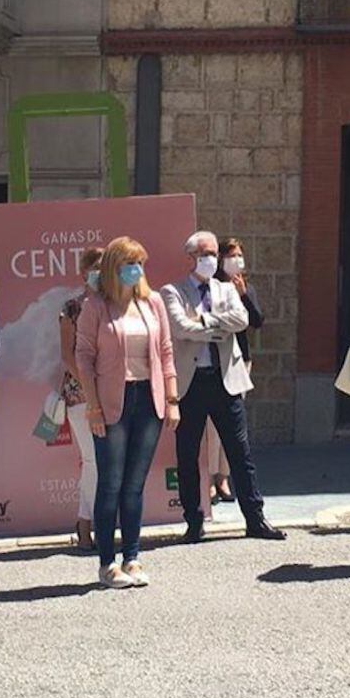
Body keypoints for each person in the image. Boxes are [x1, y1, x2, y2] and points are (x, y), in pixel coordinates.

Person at [161, 231, 286, 545]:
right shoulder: (172, 291)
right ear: (190, 258)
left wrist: (202, 322)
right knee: (188, 454)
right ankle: (193, 521)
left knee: (239, 452)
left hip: (224, 380)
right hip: (191, 382)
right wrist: (216, 325)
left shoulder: (227, 288)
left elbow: (241, 320)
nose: (210, 259)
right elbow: (179, 327)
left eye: (213, 253)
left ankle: (255, 519)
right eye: (204, 253)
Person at [75, 237, 179, 588]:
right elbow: (83, 358)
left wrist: (173, 399)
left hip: (149, 400)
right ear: (113, 269)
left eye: (140, 263)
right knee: (111, 484)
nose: (136, 270)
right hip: (110, 402)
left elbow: (165, 351)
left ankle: (132, 557)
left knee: (135, 486)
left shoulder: (152, 302)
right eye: (129, 264)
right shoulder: (96, 306)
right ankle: (107, 564)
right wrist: (92, 406)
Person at [203, 237, 264, 504]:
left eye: (240, 255)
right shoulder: (212, 288)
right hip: (215, 358)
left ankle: (225, 477)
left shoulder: (244, 287)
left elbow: (257, 320)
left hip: (240, 360)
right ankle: (211, 476)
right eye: (232, 256)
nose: (237, 260)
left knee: (234, 421)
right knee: (212, 425)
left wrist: (243, 295)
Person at [59, 247, 104, 551]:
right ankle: (87, 523)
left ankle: (91, 522)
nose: (101, 273)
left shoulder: (114, 304)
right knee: (92, 460)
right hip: (80, 395)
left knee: (105, 462)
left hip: (112, 392)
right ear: (84, 271)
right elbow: (67, 354)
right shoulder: (71, 307)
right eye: (96, 267)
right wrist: (90, 387)